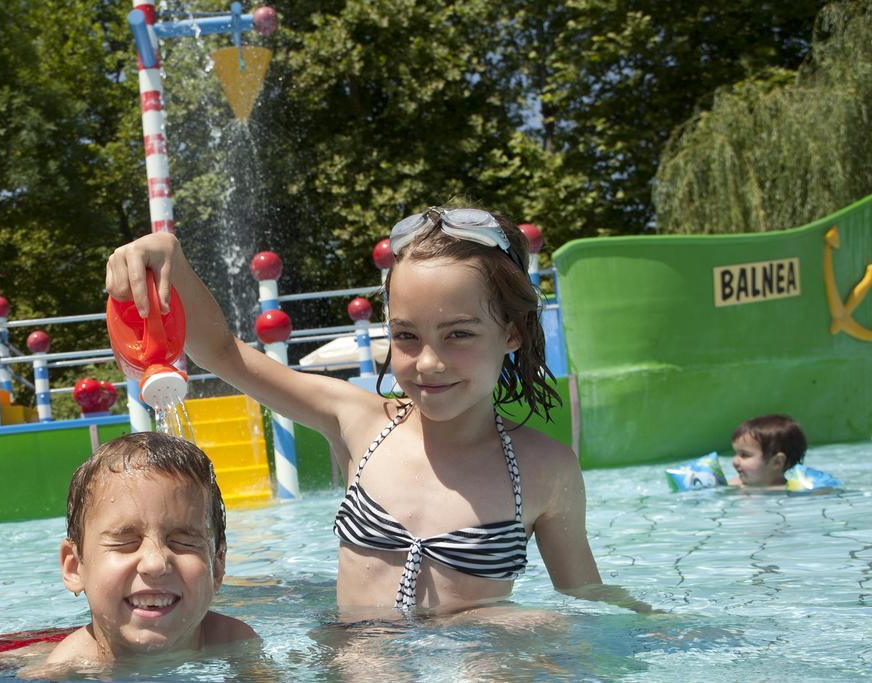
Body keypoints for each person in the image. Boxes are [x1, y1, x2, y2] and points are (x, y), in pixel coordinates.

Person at [106, 204, 646, 614]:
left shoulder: (546, 469)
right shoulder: (359, 422)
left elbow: (588, 600)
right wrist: (171, 261)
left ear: (511, 332)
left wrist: (664, 626)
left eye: (459, 334)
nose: (428, 362)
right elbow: (225, 354)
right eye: (407, 336)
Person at [39, 432, 258, 672]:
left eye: (183, 542)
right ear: (74, 567)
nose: (155, 564)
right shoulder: (66, 669)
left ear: (217, 566)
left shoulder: (234, 642)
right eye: (125, 543)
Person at [729, 414, 807, 488]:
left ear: (777, 462)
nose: (735, 461)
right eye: (736, 453)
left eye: (744, 455)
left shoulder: (792, 491)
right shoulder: (734, 485)